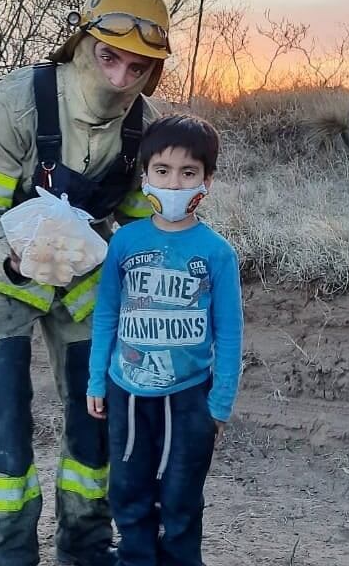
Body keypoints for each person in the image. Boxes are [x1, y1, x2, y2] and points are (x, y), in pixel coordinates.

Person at [0, 0, 170, 566]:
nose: (120, 79)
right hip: (4, 271)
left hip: (82, 277)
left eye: (138, 68)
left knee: (92, 410)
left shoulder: (145, 129)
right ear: (80, 44)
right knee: (5, 413)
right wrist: (14, 258)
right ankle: (9, 551)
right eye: (109, 58)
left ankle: (85, 545)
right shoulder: (16, 102)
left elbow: (137, 220)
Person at [87, 114, 244, 566]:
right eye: (162, 171)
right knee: (128, 491)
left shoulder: (217, 252)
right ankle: (135, 559)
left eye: (188, 172)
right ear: (145, 176)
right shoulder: (124, 243)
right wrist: (98, 380)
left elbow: (229, 333)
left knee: (180, 498)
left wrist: (220, 404)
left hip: (190, 396)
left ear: (206, 180)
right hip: (128, 391)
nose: (174, 184)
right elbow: (107, 316)